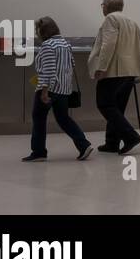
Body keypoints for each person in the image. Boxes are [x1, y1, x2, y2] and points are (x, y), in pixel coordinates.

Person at [24, 16, 94, 162]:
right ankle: (83, 145)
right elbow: (71, 65)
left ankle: (39, 152)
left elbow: (48, 70)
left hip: (49, 90)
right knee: (64, 119)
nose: (37, 33)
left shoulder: (48, 45)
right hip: (64, 90)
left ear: (43, 31)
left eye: (37, 30)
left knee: (39, 119)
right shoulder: (65, 44)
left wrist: (44, 91)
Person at [89, 0, 140, 155]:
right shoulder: (131, 22)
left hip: (113, 71)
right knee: (117, 107)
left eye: (102, 5)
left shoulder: (110, 19)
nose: (102, 7)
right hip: (129, 72)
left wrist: (101, 67)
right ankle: (112, 142)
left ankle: (130, 137)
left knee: (105, 104)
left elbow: (108, 44)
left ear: (107, 6)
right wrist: (137, 64)